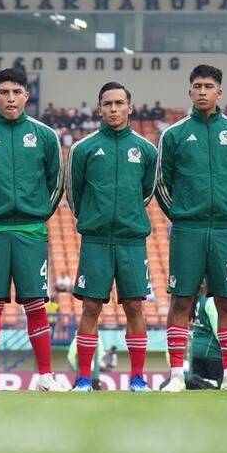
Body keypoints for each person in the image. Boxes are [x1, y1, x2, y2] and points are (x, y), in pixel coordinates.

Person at [0, 68, 67, 392]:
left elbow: (56, 180)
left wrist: (41, 213)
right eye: (4, 92)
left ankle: (45, 377)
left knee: (35, 303)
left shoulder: (46, 136)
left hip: (32, 230)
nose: (10, 98)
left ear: (26, 96)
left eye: (16, 92)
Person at [155, 64, 227, 393]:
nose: (202, 91)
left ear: (219, 92)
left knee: (226, 301)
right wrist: (181, 215)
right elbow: (162, 182)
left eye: (208, 86)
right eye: (196, 86)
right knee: (181, 301)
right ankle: (177, 375)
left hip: (225, 230)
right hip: (187, 230)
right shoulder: (174, 135)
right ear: (189, 91)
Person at [65, 81, 157, 392]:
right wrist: (94, 218)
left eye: (119, 103)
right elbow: (74, 193)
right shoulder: (84, 148)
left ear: (130, 107)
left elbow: (145, 191)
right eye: (108, 104)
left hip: (132, 241)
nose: (114, 109)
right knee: (91, 307)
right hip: (96, 241)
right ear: (99, 108)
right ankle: (83, 379)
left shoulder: (146, 149)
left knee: (134, 307)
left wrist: (126, 215)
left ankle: (138, 378)